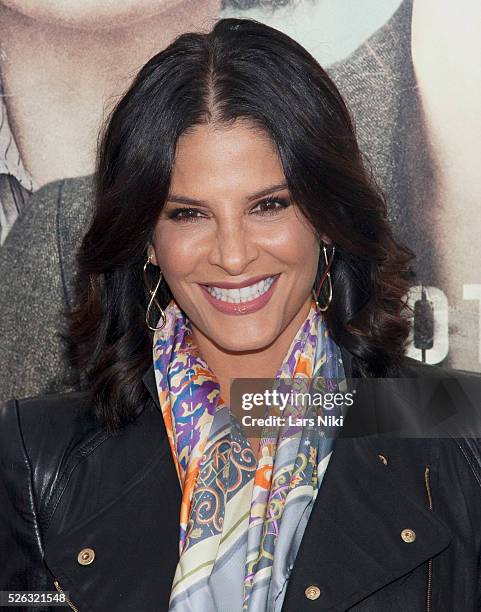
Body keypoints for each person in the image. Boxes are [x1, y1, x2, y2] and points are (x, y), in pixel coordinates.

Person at [1, 17, 481, 612]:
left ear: (327, 218)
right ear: (147, 239)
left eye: (269, 205)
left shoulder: (460, 431)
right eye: (188, 214)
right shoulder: (38, 456)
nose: (233, 255)